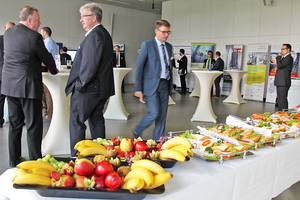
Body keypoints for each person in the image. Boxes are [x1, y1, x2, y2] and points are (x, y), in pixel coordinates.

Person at [2, 6, 58, 167]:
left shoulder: (8, 33)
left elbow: (18, 57)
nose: (40, 22)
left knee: (15, 124)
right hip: (27, 87)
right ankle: (35, 161)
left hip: (9, 86)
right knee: (34, 126)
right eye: (38, 19)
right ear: (29, 20)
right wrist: (52, 70)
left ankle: (14, 160)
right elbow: (47, 58)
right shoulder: (34, 37)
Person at [65, 2, 115, 157]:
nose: (80, 20)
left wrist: (80, 85)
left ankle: (76, 157)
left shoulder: (95, 35)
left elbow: (90, 65)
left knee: (77, 122)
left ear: (93, 18)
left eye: (83, 17)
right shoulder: (103, 34)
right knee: (96, 121)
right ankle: (100, 155)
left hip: (89, 89)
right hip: (100, 89)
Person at [133, 19, 173, 141]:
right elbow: (139, 68)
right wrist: (138, 88)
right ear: (156, 31)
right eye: (164, 32)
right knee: (155, 112)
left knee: (162, 116)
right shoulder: (147, 45)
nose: (166, 35)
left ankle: (158, 140)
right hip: (151, 85)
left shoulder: (169, 47)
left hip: (165, 84)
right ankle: (138, 129)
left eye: (168, 32)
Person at [0, 22, 15, 128]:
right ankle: (14, 120)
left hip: (2, 72)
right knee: (12, 99)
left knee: (1, 99)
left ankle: (0, 120)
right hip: (10, 74)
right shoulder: (14, 41)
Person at [274, 44, 293, 111]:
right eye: (281, 49)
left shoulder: (289, 58)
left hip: (283, 82)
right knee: (280, 100)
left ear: (288, 50)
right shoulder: (284, 58)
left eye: (283, 49)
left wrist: (278, 57)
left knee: (282, 100)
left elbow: (280, 66)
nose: (282, 51)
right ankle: (281, 113)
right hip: (280, 82)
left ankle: (283, 114)